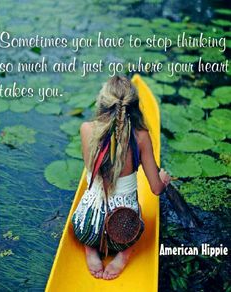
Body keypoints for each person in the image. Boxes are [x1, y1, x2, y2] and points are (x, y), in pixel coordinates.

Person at [71, 76, 171, 280]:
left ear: (102, 103)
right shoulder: (141, 136)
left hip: (85, 228)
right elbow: (156, 189)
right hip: (122, 236)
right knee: (138, 212)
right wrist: (163, 178)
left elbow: (92, 165)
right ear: (133, 107)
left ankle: (90, 250)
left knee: (87, 207)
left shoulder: (87, 129)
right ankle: (124, 255)